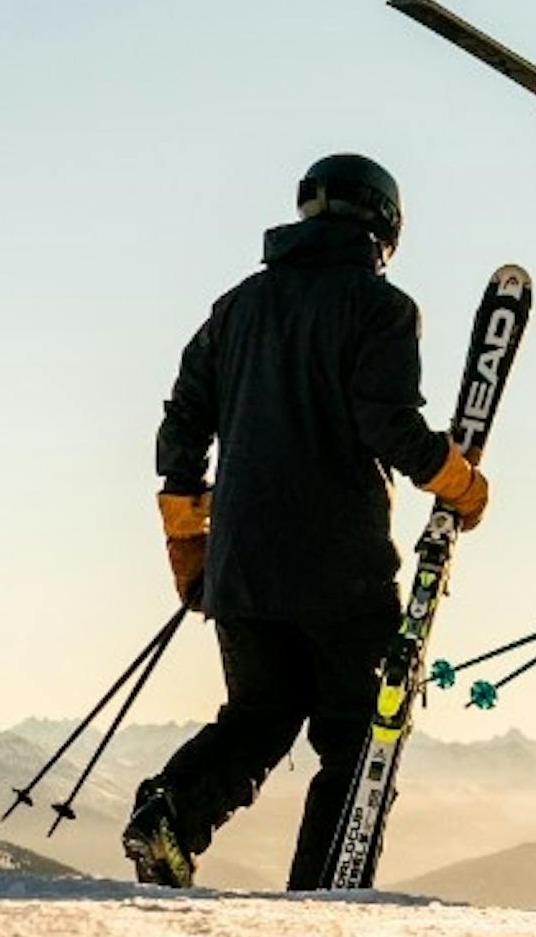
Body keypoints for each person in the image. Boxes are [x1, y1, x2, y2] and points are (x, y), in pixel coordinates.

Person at [123, 152, 490, 890]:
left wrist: (186, 534)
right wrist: (457, 482)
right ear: (386, 226)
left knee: (258, 716)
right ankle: (324, 889)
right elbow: (385, 422)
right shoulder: (382, 308)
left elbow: (183, 422)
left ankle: (170, 814)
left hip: (240, 562)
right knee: (358, 736)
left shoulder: (235, 307)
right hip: (340, 565)